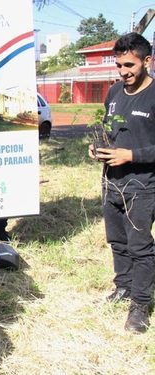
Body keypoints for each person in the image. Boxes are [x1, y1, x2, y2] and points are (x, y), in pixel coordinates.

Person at [88, 32, 155, 333]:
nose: (123, 72)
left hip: (143, 185)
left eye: (129, 65)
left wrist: (132, 154)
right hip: (112, 183)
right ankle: (123, 288)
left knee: (140, 246)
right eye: (118, 66)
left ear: (147, 61)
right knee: (117, 242)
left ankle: (140, 306)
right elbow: (108, 129)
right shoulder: (114, 93)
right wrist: (98, 148)